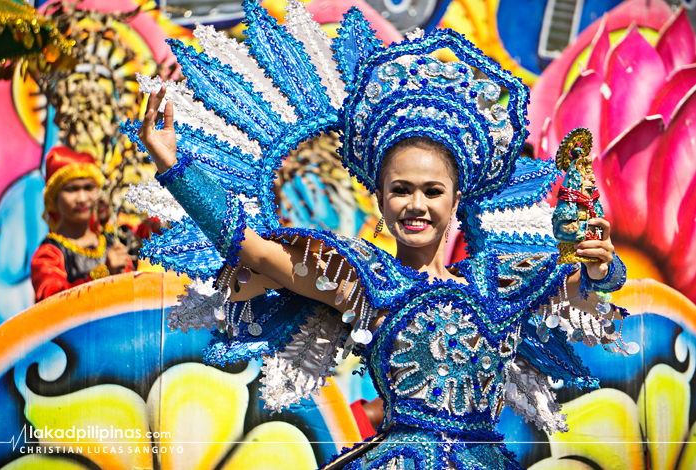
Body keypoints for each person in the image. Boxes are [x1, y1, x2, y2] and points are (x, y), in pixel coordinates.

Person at [125, 3, 631, 468]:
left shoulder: (496, 284)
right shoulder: (365, 282)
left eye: (433, 191)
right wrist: (175, 165)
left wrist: (600, 263)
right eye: (401, 190)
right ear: (381, 202)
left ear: (458, 199)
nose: (416, 205)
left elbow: (584, 287)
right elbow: (251, 250)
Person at [31, 146, 133, 302]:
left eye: (88, 188)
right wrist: (104, 272)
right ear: (54, 198)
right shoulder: (49, 254)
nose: (82, 198)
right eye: (72, 190)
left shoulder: (112, 241)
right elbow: (53, 302)